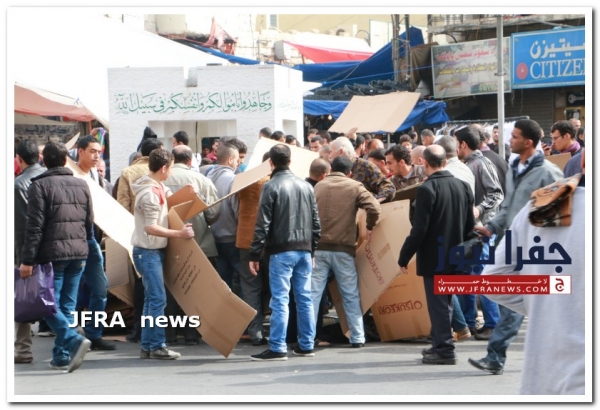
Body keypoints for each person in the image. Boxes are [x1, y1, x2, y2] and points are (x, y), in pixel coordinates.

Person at [482, 155, 585, 394]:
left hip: (542, 379)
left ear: (584, 162)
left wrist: (545, 305)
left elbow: (492, 280)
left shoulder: (540, 204)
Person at [468, 118, 563, 376]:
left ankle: (495, 356)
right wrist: (491, 227)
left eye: (515, 137)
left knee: (515, 297)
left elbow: (559, 215)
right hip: (509, 240)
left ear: (528, 142)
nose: (509, 140)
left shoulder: (549, 173)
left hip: (534, 246)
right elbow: (508, 207)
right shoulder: (514, 168)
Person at [19, 141, 94, 372]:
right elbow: (89, 221)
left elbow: (34, 227)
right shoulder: (81, 184)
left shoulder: (39, 186)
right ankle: (61, 356)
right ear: (65, 160)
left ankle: (72, 340)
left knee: (47, 306)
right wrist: (85, 246)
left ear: (44, 161)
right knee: (66, 306)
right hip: (79, 252)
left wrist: (27, 260)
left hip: (52, 255)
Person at [398, 145, 475, 365]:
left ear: (424, 162)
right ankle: (440, 343)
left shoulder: (427, 189)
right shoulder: (463, 187)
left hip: (434, 257)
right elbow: (470, 225)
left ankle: (445, 349)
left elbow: (419, 230)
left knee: (439, 305)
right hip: (457, 255)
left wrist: (404, 256)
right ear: (445, 161)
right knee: (446, 303)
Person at [249, 144, 321, 361]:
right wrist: (312, 250)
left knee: (280, 300)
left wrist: (255, 254)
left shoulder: (270, 186)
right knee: (304, 298)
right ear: (290, 161)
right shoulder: (306, 186)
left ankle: (278, 347)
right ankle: (306, 344)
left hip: (281, 250)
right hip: (304, 249)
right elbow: (316, 223)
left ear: (271, 163)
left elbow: (262, 224)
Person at [131, 148, 195, 360]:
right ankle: (157, 346)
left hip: (150, 252)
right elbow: (150, 227)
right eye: (171, 168)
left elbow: (170, 200)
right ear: (164, 168)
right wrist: (179, 234)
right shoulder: (150, 193)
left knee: (152, 300)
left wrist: (186, 193)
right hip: (148, 252)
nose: (172, 172)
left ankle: (148, 346)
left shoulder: (156, 186)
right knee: (157, 300)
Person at [312, 156, 381, 349]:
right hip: (343, 249)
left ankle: (307, 339)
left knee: (313, 296)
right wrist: (369, 226)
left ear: (330, 169)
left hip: (319, 249)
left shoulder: (318, 186)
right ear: (349, 172)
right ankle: (357, 337)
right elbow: (374, 207)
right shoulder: (354, 186)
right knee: (350, 294)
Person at [164, 145, 221, 345]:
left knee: (170, 289)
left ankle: (169, 334)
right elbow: (213, 214)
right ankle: (192, 334)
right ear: (190, 160)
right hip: (199, 243)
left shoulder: (161, 180)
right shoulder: (202, 181)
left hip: (168, 243)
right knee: (195, 290)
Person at [75, 135, 116, 351]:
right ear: (80, 151)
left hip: (93, 240)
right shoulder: (72, 174)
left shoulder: (95, 175)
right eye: (92, 151)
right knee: (71, 293)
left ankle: (94, 334)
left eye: (98, 152)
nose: (96, 156)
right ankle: (70, 338)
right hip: (74, 240)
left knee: (100, 289)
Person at [14, 139, 46, 364]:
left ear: (19, 159)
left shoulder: (19, 185)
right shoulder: (51, 177)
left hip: (30, 251)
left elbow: (22, 227)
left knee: (24, 299)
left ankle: (23, 349)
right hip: (56, 248)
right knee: (53, 297)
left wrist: (24, 259)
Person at [236, 152, 272, 347]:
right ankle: (278, 330)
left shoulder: (246, 181)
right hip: (270, 241)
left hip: (246, 240)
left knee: (250, 287)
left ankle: (255, 332)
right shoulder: (273, 182)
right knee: (276, 286)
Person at [206, 144, 242, 291]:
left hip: (214, 237)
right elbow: (238, 210)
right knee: (245, 280)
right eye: (237, 160)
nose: (239, 163)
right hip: (233, 237)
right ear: (230, 159)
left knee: (224, 282)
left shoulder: (207, 177)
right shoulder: (233, 179)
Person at [455, 125, 504, 226]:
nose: (455, 148)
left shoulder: (482, 163)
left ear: (463, 144)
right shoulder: (465, 164)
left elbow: (497, 194)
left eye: (456, 143)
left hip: (485, 226)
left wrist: (479, 209)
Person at [329, 137, 395, 203]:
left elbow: (388, 187)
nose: (329, 156)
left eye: (331, 152)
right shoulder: (332, 170)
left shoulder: (365, 166)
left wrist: (373, 202)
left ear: (341, 152)